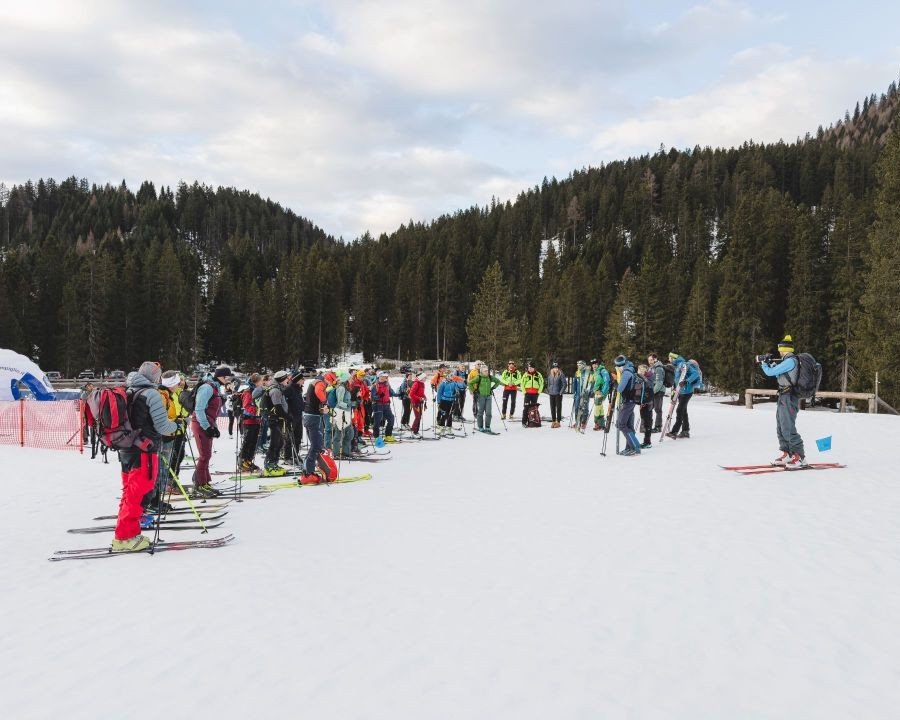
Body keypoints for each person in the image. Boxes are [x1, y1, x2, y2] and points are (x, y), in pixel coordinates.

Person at [112, 362, 177, 552]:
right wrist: (177, 425)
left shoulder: (129, 391)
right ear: (154, 377)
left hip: (127, 448)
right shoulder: (151, 394)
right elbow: (163, 427)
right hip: (144, 451)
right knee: (139, 491)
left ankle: (129, 531)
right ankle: (124, 537)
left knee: (129, 491)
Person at [761, 335, 807, 469]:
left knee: (788, 426)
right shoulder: (787, 361)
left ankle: (800, 457)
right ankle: (787, 453)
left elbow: (770, 373)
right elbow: (778, 374)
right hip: (783, 395)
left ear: (784, 349)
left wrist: (764, 363)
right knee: (780, 426)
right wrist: (771, 364)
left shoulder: (790, 361)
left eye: (780, 349)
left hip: (789, 396)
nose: (779, 352)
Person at [190, 365, 233, 497]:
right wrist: (207, 427)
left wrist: (212, 427)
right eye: (228, 377)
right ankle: (198, 484)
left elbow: (215, 406)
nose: (229, 380)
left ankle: (205, 482)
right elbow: (199, 409)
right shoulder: (207, 387)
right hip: (200, 424)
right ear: (221, 376)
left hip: (208, 423)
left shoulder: (215, 387)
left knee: (207, 455)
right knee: (204, 455)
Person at [301, 371, 337, 484]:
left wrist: (323, 406)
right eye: (331, 382)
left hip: (311, 416)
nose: (330, 385)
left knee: (316, 445)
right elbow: (318, 392)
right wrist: (325, 402)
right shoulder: (320, 382)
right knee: (316, 446)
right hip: (312, 418)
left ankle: (307, 471)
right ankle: (307, 474)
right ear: (328, 379)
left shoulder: (317, 381)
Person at [262, 370, 291, 477]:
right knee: (275, 443)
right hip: (274, 419)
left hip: (278, 419)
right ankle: (269, 465)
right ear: (282, 379)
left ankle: (274, 463)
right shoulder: (275, 390)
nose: (288, 380)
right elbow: (277, 406)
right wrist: (287, 416)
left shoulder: (279, 388)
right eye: (286, 378)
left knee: (280, 443)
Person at [665, 352, 700, 440]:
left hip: (687, 392)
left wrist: (687, 381)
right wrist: (674, 391)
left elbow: (695, 374)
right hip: (680, 392)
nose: (669, 360)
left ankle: (674, 432)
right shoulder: (677, 366)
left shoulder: (683, 364)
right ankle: (685, 431)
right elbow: (677, 380)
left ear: (673, 358)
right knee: (683, 411)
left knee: (679, 410)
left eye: (670, 358)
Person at [614, 355, 642, 456]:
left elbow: (620, 388)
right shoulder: (631, 370)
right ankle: (629, 447)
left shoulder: (626, 373)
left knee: (621, 424)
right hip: (631, 401)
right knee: (628, 425)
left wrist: (616, 383)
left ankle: (635, 446)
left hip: (628, 401)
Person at [239, 373, 264, 472]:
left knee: (254, 442)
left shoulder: (258, 391)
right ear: (256, 382)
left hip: (256, 420)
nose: (262, 382)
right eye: (260, 380)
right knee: (247, 442)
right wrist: (258, 411)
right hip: (248, 420)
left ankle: (249, 461)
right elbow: (246, 406)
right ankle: (242, 461)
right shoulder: (248, 392)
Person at [469, 364, 500, 431]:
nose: (487, 372)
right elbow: (470, 383)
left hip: (488, 396)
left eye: (487, 371)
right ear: (482, 372)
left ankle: (487, 426)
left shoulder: (490, 377)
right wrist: (473, 390)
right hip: (481, 396)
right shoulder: (479, 377)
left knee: (488, 412)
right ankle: (480, 426)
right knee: (480, 412)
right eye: (485, 371)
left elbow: (498, 381)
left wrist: (492, 388)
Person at [282, 371, 305, 465]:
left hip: (299, 415)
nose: (304, 380)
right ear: (297, 380)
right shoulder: (289, 388)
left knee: (298, 437)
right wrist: (288, 414)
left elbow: (299, 401)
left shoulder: (298, 388)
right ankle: (287, 457)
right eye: (302, 379)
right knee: (290, 437)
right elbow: (284, 402)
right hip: (291, 416)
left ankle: (295, 454)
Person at [332, 370, 354, 459]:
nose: (352, 379)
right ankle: (336, 454)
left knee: (349, 433)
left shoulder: (347, 388)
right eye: (350, 378)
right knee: (339, 434)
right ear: (346, 379)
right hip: (340, 413)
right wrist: (350, 404)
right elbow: (340, 402)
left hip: (347, 413)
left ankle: (346, 452)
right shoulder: (341, 388)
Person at [372, 371, 397, 438]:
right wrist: (379, 396)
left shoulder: (387, 385)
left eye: (386, 377)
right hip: (378, 405)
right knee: (377, 421)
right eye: (383, 377)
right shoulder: (375, 386)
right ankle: (376, 436)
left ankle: (388, 435)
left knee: (391, 419)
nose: (385, 378)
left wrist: (400, 394)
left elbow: (392, 393)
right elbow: (373, 397)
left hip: (386, 405)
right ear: (379, 377)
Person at [519, 361, 544, 426]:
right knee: (526, 407)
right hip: (527, 393)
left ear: (534, 368)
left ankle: (533, 421)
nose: (529, 369)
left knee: (533, 408)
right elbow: (522, 384)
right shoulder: (525, 374)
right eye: (529, 367)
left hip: (535, 394)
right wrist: (524, 392)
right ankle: (524, 422)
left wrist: (538, 392)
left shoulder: (538, 375)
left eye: (531, 367)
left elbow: (541, 384)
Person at [636, 363, 655, 449]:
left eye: (640, 370)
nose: (638, 372)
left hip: (648, 404)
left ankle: (647, 442)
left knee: (647, 423)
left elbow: (649, 391)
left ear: (644, 371)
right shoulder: (643, 379)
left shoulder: (649, 379)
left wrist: (645, 402)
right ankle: (646, 441)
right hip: (643, 404)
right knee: (645, 421)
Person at [647, 353, 666, 432]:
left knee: (658, 409)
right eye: (649, 360)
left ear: (655, 359)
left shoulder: (658, 368)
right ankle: (650, 425)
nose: (650, 362)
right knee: (652, 408)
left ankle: (658, 427)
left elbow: (659, 383)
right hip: (654, 390)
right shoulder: (652, 368)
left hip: (659, 391)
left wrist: (652, 392)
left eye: (651, 360)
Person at [592, 360, 611, 431]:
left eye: (596, 364)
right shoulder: (596, 372)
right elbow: (596, 383)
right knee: (600, 407)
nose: (594, 365)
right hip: (597, 392)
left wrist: (603, 392)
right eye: (593, 364)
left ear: (598, 364)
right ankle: (602, 424)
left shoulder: (603, 371)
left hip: (601, 392)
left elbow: (607, 381)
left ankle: (597, 423)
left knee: (597, 406)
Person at [546, 362, 566, 428]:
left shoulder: (561, 374)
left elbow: (564, 384)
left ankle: (558, 421)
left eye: (556, 368)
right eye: (554, 368)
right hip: (551, 393)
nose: (555, 369)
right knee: (552, 408)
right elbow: (548, 383)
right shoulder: (550, 375)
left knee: (558, 408)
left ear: (558, 368)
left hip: (558, 394)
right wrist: (549, 390)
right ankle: (553, 421)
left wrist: (561, 392)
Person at [409, 372, 427, 438]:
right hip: (415, 402)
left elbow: (421, 393)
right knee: (418, 417)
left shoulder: (422, 384)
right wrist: (419, 398)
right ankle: (414, 431)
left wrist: (424, 396)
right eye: (424, 378)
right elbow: (411, 394)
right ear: (421, 378)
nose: (425, 379)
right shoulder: (416, 383)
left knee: (419, 416)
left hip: (420, 402)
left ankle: (416, 431)